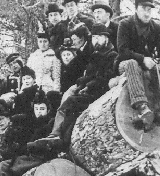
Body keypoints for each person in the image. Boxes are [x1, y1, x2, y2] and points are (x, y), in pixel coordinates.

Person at [32, 23, 117, 156]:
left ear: (106, 38)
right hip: (88, 89)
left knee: (71, 104)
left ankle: (63, 141)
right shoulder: (95, 55)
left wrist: (87, 86)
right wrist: (81, 84)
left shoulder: (111, 55)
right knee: (66, 104)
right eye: (94, 37)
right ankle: (55, 134)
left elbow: (104, 78)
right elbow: (88, 74)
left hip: (100, 92)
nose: (96, 40)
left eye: (99, 37)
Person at [116, 0, 160, 128]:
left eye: (149, 10)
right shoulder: (125, 24)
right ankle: (142, 106)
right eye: (143, 9)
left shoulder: (155, 27)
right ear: (136, 8)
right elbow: (122, 51)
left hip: (147, 64)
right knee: (132, 63)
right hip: (126, 64)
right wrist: (142, 59)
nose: (147, 13)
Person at [28, 30, 61, 96]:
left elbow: (56, 77)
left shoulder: (54, 57)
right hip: (33, 86)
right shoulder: (33, 56)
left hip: (47, 87)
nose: (43, 44)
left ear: (49, 42)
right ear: (37, 43)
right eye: (40, 41)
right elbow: (28, 74)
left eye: (45, 41)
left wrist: (56, 92)